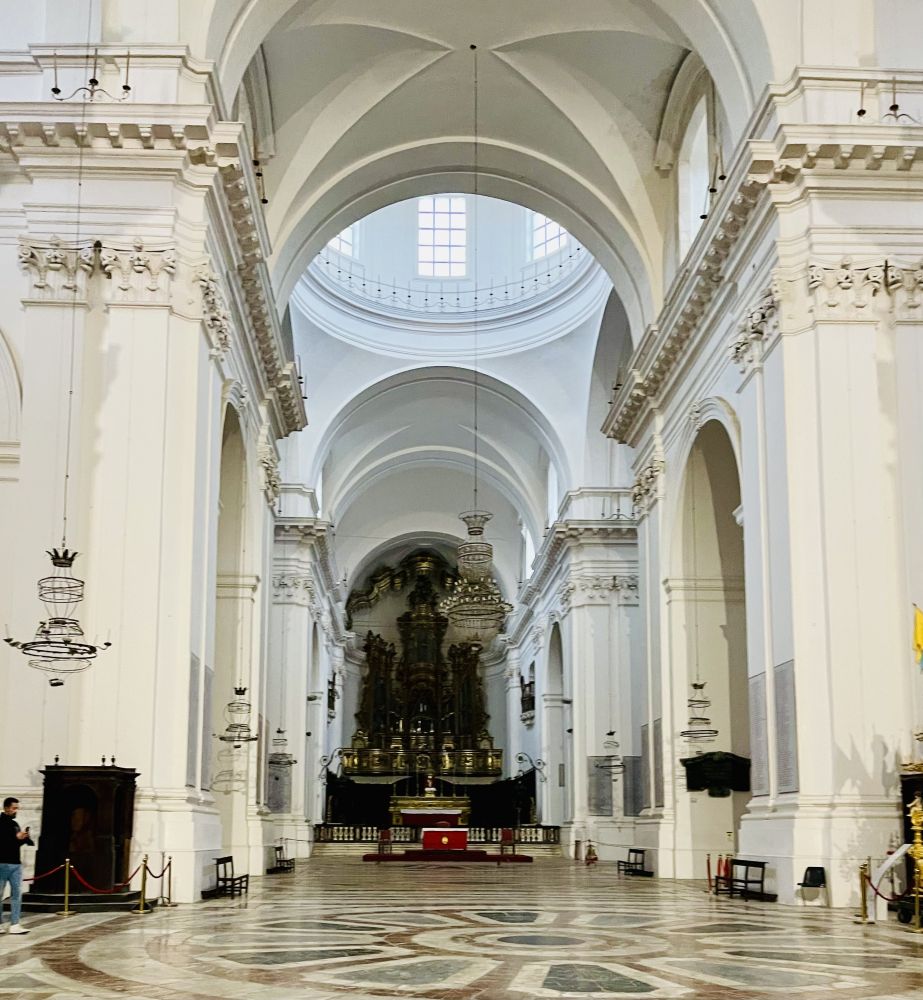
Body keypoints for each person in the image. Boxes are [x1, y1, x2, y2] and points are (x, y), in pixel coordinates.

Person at [0, 797, 34, 934]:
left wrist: (24, 838)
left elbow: (15, 843)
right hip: (1, 863)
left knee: (16, 894)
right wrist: (16, 838)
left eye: (17, 808)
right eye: (14, 808)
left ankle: (15, 924)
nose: (16, 810)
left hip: (15, 864)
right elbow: (3, 842)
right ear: (6, 808)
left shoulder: (15, 824)